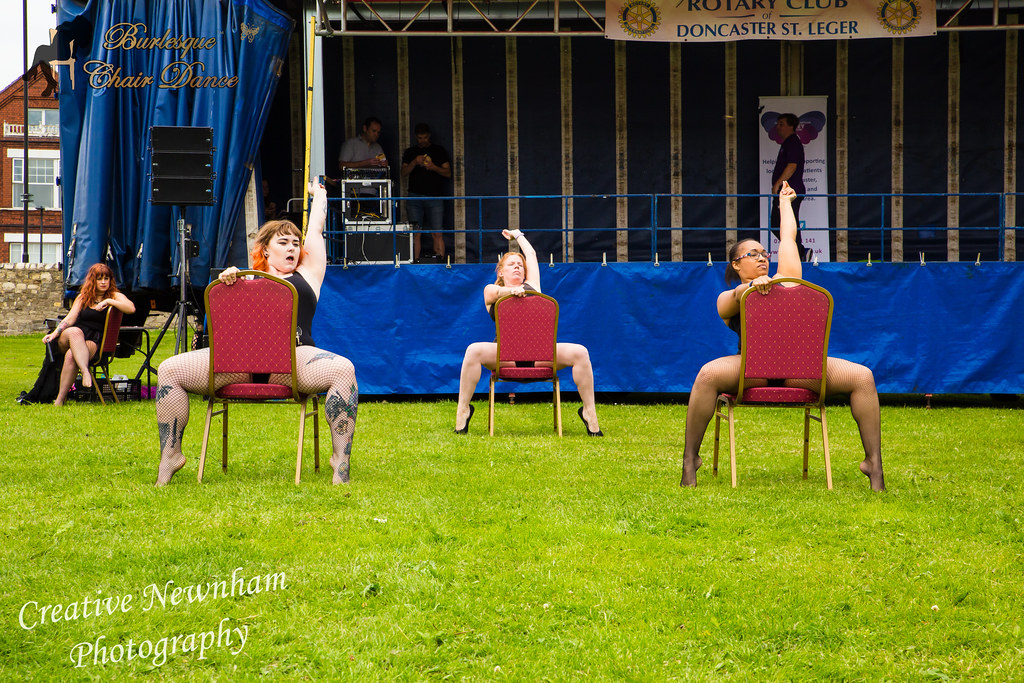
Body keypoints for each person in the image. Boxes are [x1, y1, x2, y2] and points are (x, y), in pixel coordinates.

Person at [680, 181, 885, 491]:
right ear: (737, 264)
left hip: (802, 373)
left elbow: (788, 237)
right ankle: (690, 459)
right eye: (753, 254)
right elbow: (730, 300)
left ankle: (874, 464)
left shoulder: (787, 279)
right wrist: (748, 288)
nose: (763, 257)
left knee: (863, 377)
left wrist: (785, 203)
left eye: (764, 253)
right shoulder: (732, 295)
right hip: (751, 374)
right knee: (707, 374)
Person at [155, 181, 359, 486]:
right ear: (265, 248)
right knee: (169, 369)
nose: (292, 247)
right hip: (240, 366)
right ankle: (171, 455)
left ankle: (340, 462)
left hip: (293, 362)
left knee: (344, 370)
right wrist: (230, 278)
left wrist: (320, 194)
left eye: (294, 243)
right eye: (283, 242)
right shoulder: (243, 277)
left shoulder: (308, 275)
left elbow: (315, 230)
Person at [454, 229, 603, 437]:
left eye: (519, 265)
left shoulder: (533, 286)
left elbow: (531, 255)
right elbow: (495, 293)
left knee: (581, 352)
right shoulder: (491, 290)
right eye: (511, 264)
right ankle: (463, 411)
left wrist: (518, 235)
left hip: (541, 355)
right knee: (472, 350)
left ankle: (589, 414)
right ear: (500, 272)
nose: (517, 267)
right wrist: (510, 291)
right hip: (504, 355)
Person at [42, 263, 136, 406]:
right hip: (70, 337)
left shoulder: (115, 296)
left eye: (106, 278)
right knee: (75, 331)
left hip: (93, 340)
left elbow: (131, 309)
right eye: (99, 279)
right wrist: (54, 334)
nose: (104, 282)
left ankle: (59, 400)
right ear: (93, 280)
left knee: (71, 355)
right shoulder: (83, 297)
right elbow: (70, 319)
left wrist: (109, 301)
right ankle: (85, 371)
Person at [401, 122, 452, 260]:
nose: (422, 141)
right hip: (414, 198)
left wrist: (433, 167)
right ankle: (414, 263)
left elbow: (448, 173)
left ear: (429, 136)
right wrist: (414, 162)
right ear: (416, 137)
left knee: (437, 233)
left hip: (435, 198)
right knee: (415, 233)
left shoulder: (438, 150)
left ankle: (441, 263)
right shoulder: (410, 152)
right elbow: (403, 173)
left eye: (424, 138)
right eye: (419, 138)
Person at [770, 113, 808, 261]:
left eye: (781, 124)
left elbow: (792, 165)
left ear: (791, 126)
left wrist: (778, 183)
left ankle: (799, 253)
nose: (778, 127)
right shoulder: (787, 143)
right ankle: (799, 252)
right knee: (777, 224)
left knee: (785, 222)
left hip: (789, 191)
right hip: (784, 192)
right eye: (777, 124)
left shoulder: (793, 142)